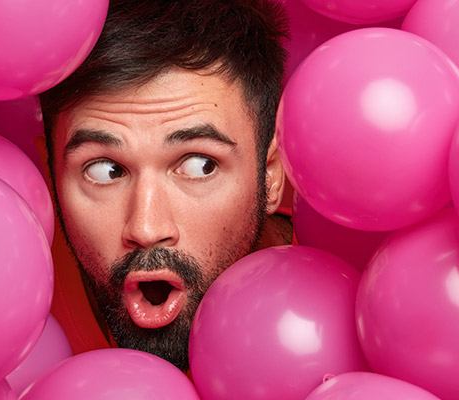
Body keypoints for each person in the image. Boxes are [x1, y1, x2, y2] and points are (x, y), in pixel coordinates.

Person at [38, 0, 292, 370]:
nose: (146, 228)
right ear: (52, 173)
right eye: (105, 170)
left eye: (199, 165)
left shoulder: (344, 312)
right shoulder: (13, 307)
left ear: (270, 173)